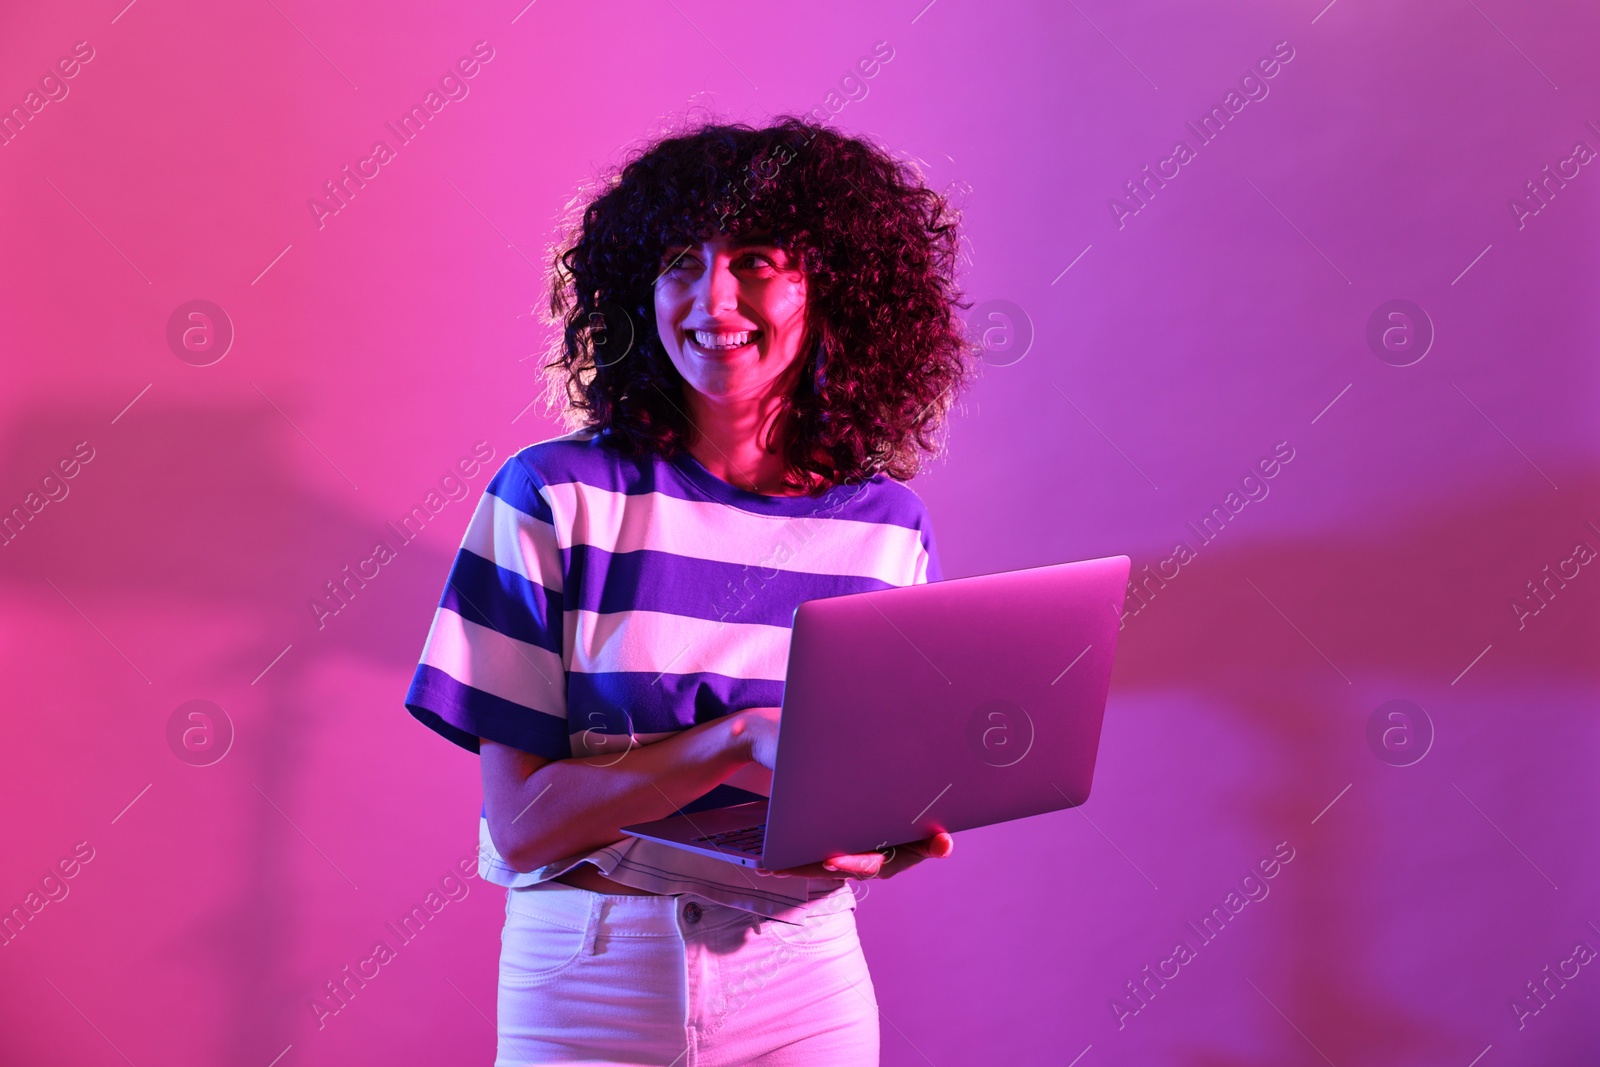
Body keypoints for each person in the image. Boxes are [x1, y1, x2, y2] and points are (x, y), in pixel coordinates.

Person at [404, 116, 976, 1066]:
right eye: (679, 260)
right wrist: (737, 739)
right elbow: (524, 826)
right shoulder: (552, 495)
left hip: (803, 978)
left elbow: (871, 790)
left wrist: (893, 830)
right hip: (589, 980)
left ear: (829, 286)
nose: (713, 296)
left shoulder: (887, 530)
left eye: (756, 259)